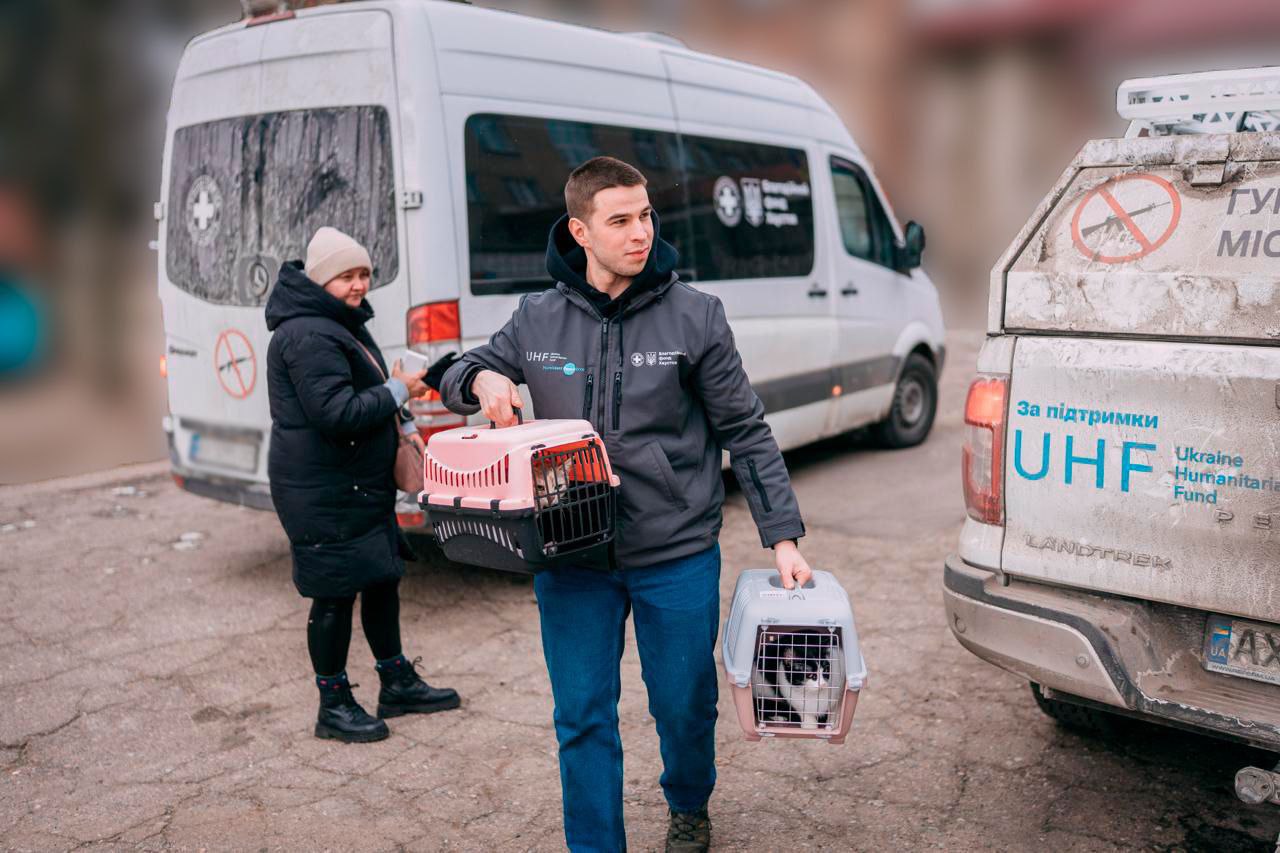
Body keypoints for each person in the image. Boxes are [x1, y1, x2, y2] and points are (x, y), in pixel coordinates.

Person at [439, 157, 812, 852]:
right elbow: (456, 371)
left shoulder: (695, 315)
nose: (641, 232)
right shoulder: (538, 318)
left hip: (675, 550)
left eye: (645, 216)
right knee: (581, 715)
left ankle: (689, 803)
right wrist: (482, 377)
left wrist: (782, 537)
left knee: (684, 705)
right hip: (570, 553)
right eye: (620, 220)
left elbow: (745, 430)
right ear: (580, 231)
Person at [265, 226, 460, 743]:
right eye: (346, 276)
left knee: (380, 577)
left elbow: (358, 394)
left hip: (353, 484)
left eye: (364, 274)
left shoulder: (337, 324)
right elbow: (336, 413)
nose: (358, 285)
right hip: (322, 490)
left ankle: (396, 683)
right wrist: (398, 388)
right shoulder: (307, 334)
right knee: (333, 595)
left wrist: (405, 391)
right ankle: (333, 705)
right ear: (320, 279)